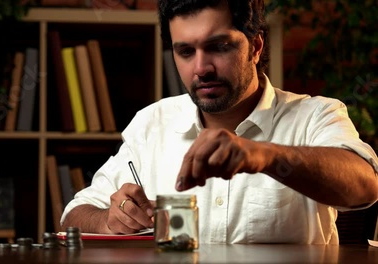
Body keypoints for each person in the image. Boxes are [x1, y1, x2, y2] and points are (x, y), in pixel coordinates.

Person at [61, 0, 378, 244]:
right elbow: (73, 216)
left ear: (256, 46)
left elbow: (366, 186)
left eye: (218, 47)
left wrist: (262, 155)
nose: (201, 68)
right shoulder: (151, 124)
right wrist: (109, 220)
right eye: (185, 51)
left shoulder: (314, 116)